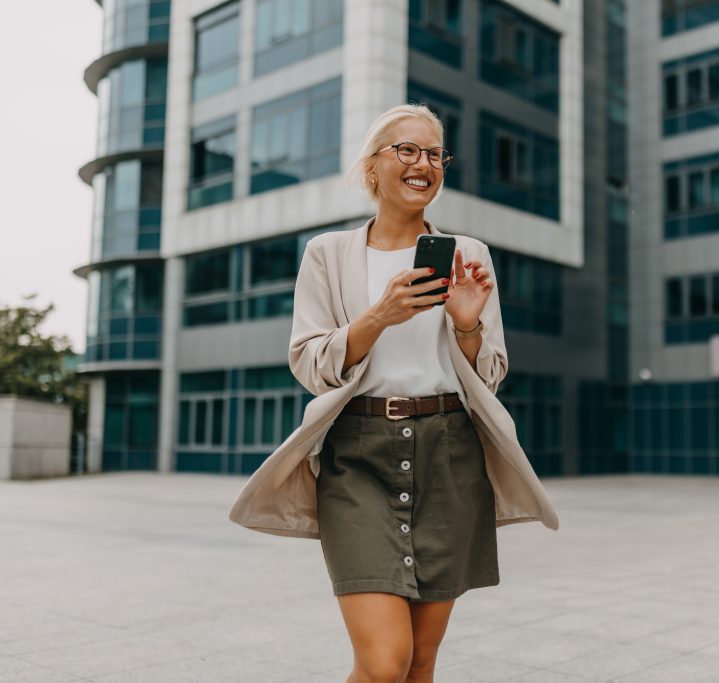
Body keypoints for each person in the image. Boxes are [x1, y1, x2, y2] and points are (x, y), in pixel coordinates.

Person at [227, 103, 559, 683]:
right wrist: (378, 317)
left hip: (450, 454)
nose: (422, 164)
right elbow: (309, 363)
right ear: (373, 167)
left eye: (434, 154)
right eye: (406, 150)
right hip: (358, 456)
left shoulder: (469, 255)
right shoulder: (327, 255)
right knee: (384, 664)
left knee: (421, 662)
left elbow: (492, 373)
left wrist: (466, 324)